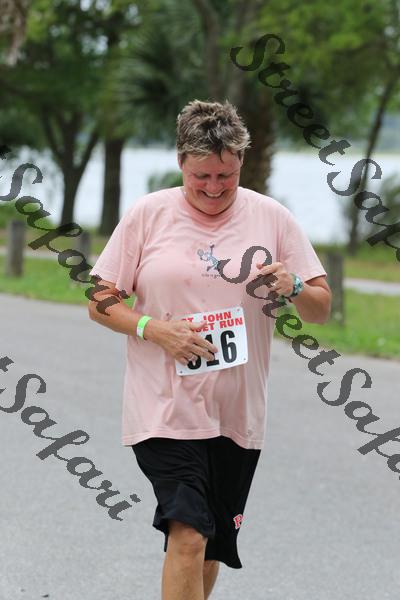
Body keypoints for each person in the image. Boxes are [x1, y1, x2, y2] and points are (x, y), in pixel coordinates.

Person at [88, 99, 331, 600]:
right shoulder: (148, 215)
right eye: (202, 176)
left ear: (242, 161)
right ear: (181, 161)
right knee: (189, 534)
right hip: (164, 408)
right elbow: (99, 301)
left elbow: (320, 308)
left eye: (227, 175)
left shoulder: (272, 218)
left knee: (211, 545)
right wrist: (154, 329)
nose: (215, 188)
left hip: (236, 412)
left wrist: (292, 286)